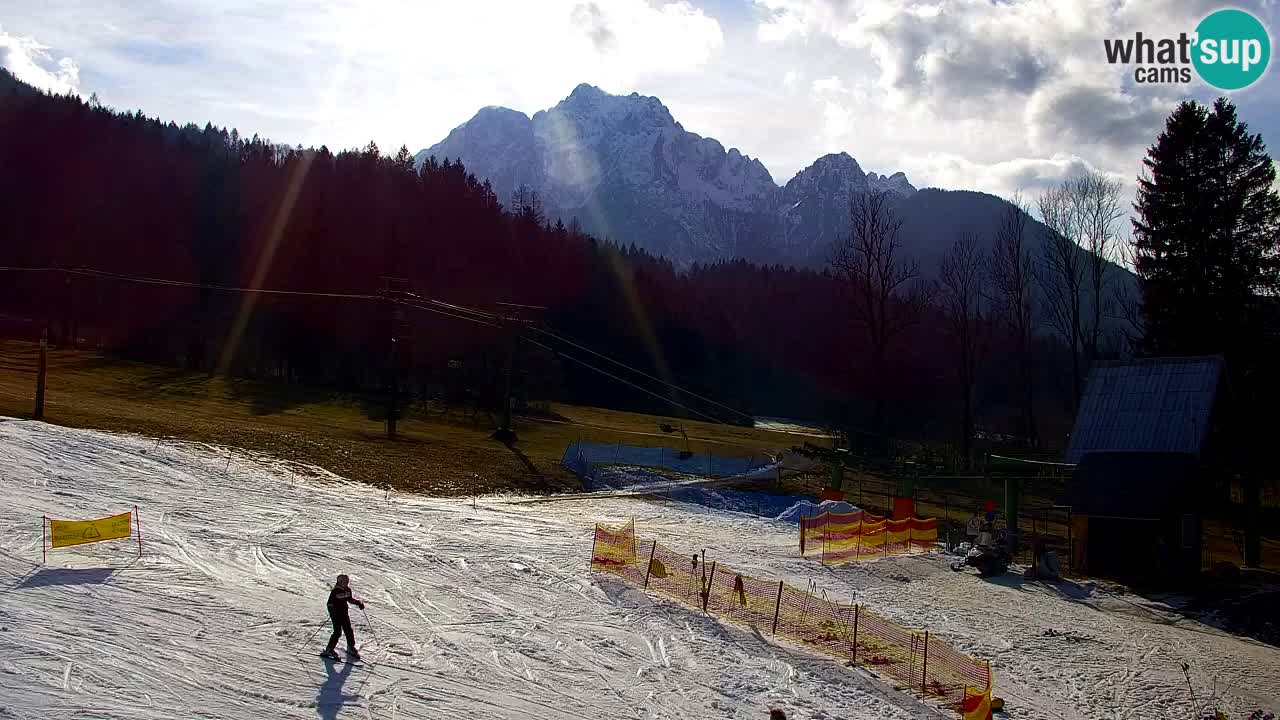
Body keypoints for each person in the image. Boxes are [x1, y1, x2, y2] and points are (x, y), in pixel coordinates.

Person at [321, 574, 366, 661]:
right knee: (337, 632)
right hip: (336, 615)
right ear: (340, 581)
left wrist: (358, 603)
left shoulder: (348, 590)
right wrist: (332, 613)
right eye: (344, 582)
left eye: (347, 582)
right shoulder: (335, 591)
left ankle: (350, 647)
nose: (346, 583)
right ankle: (329, 650)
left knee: (348, 630)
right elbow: (329, 604)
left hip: (344, 614)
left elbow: (349, 599)